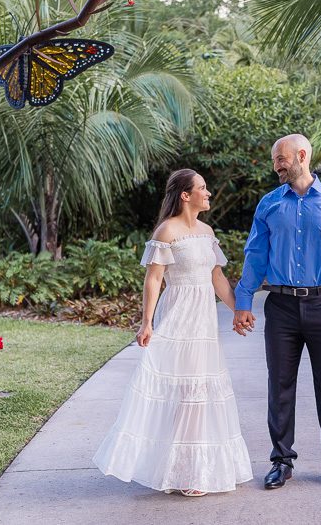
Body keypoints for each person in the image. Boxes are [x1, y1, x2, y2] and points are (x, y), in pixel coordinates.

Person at [93, 169, 253, 496]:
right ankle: (181, 471)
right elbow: (153, 279)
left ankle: (191, 469)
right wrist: (147, 322)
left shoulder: (207, 231)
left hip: (204, 320)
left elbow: (217, 278)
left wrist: (238, 309)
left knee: (200, 391)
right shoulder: (167, 231)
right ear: (185, 195)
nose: (208, 194)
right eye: (203, 189)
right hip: (179, 314)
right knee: (182, 392)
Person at [232, 134, 321, 490]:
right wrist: (243, 300)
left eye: (280, 158)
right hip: (281, 308)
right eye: (275, 159)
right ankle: (280, 462)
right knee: (279, 387)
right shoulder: (269, 205)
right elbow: (255, 255)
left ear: (301, 156)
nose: (276, 164)